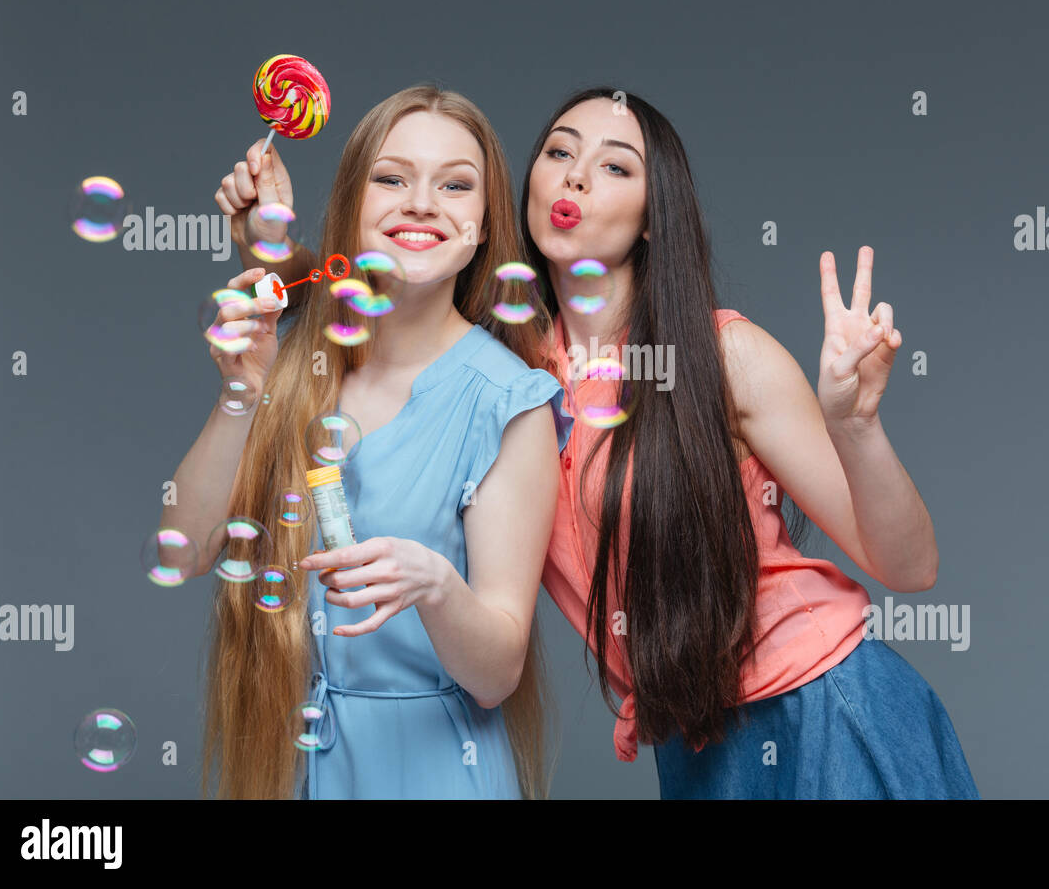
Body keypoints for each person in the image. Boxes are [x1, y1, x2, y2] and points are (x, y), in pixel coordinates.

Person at [518, 86, 980, 798]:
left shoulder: (722, 356)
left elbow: (911, 566)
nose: (575, 176)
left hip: (823, 714)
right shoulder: (510, 384)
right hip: (693, 742)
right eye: (559, 152)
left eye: (616, 167)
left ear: (652, 220)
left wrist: (855, 427)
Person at [164, 85, 570, 799]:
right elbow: (188, 548)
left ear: (481, 225)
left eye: (455, 184)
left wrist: (437, 586)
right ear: (352, 200)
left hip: (437, 774)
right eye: (391, 177)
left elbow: (497, 672)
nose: (421, 202)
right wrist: (242, 392)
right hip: (298, 767)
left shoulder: (509, 401)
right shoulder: (298, 366)